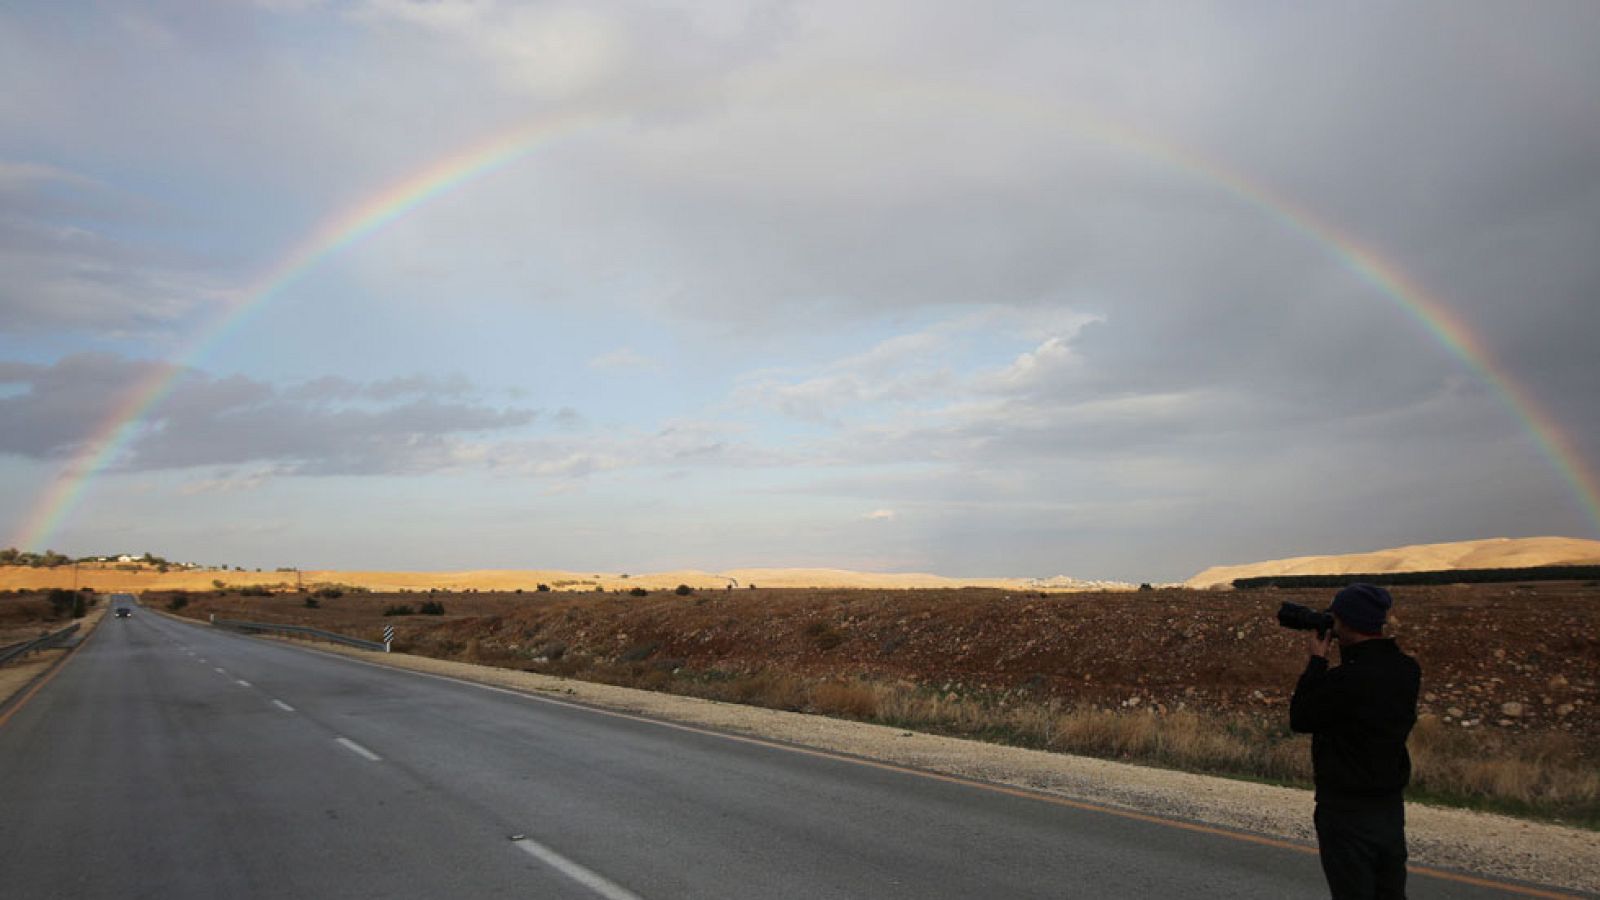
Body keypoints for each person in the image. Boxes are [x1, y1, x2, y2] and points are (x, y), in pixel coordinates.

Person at [1290, 583, 1421, 900]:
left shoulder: (1345, 681)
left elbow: (1301, 717)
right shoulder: (1407, 671)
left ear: (1345, 622)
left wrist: (1317, 661)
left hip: (1346, 811)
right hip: (1389, 807)